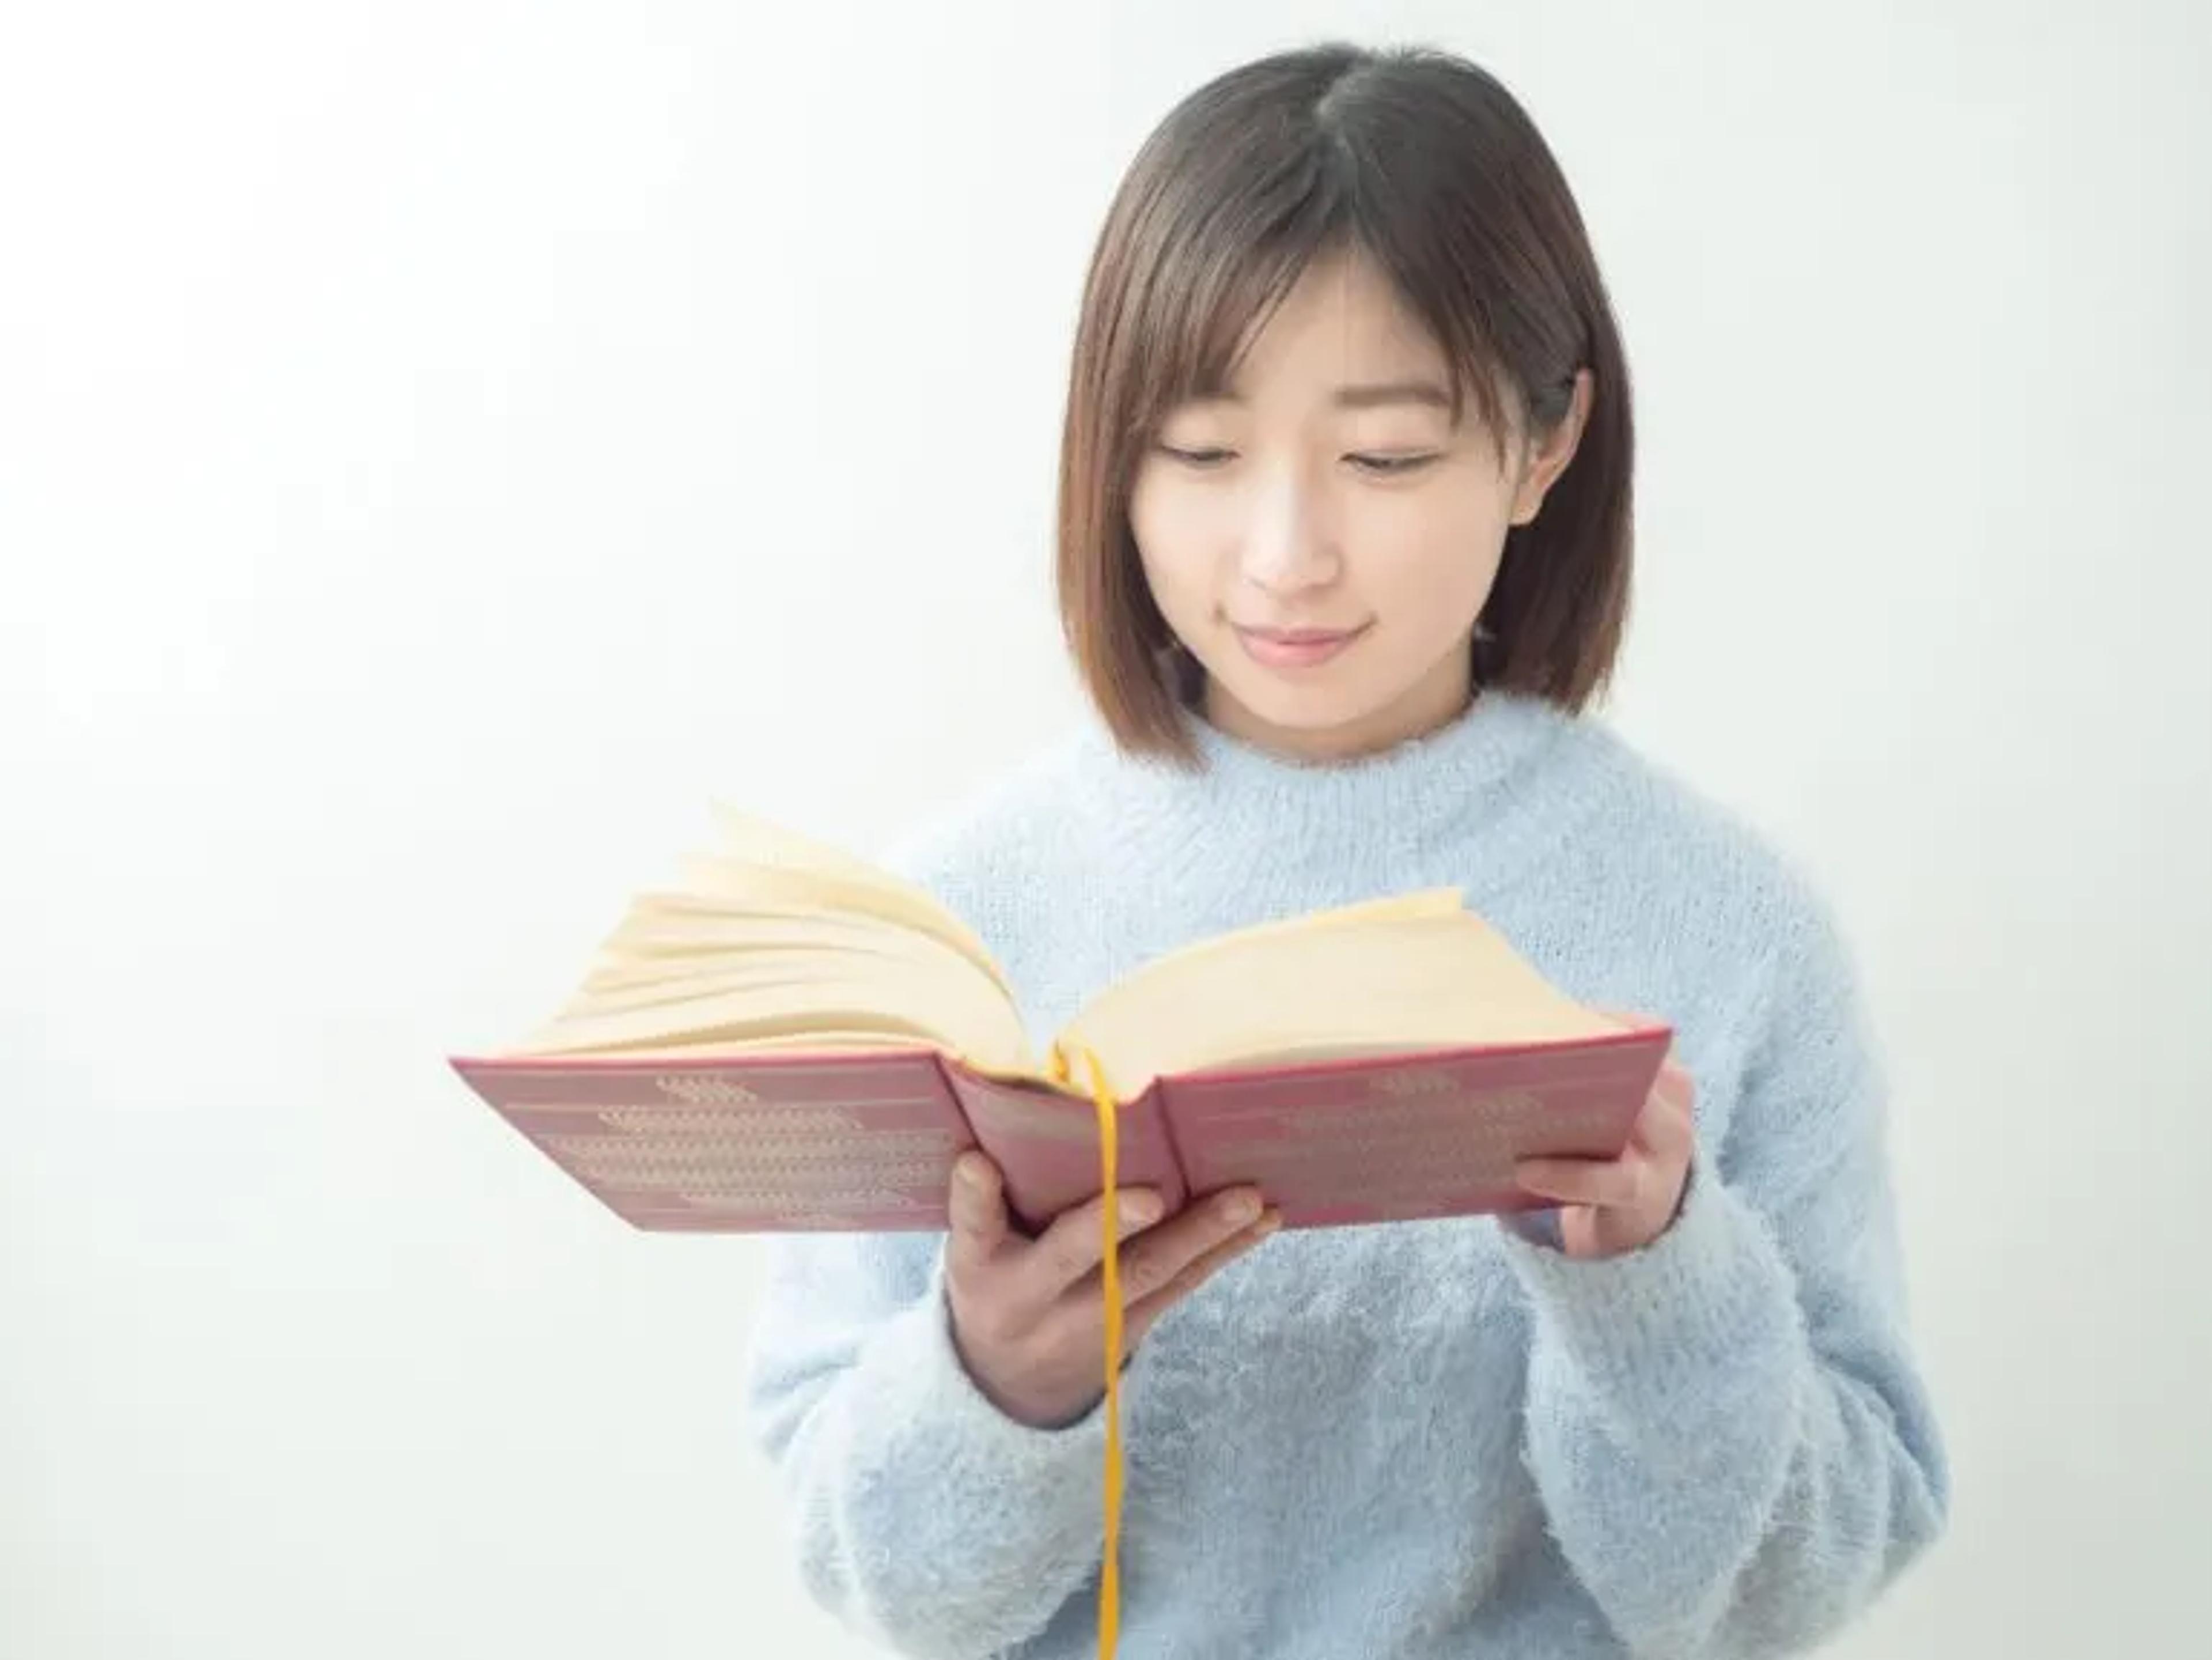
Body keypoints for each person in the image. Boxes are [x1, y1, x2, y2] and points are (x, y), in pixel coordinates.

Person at [744, 41, 1948, 1660]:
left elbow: (1805, 1580)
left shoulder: (1727, 930)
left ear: (1543, 442)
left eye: (1384, 456)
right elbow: (868, 1567)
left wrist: (1661, 1282)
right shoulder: (960, 917)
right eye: (1199, 451)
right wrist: (998, 1381)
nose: (1285, 552)